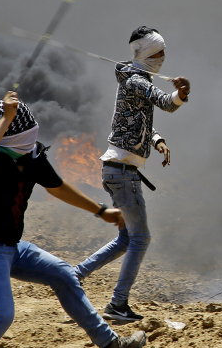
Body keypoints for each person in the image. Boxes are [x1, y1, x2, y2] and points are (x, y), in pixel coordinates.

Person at [0, 91, 146, 348]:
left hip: (9, 246)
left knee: (63, 274)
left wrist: (100, 210)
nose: (30, 138)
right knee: (0, 315)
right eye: (22, 132)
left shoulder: (31, 157)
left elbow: (58, 188)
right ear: (7, 135)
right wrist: (5, 121)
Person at [74, 26, 191, 324]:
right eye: (159, 52)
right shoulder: (137, 80)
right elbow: (165, 103)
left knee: (127, 238)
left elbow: (139, 123)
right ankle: (117, 305)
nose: (163, 57)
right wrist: (180, 94)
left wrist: (157, 141)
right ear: (148, 53)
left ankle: (74, 275)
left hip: (118, 170)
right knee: (141, 239)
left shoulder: (133, 80)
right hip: (123, 173)